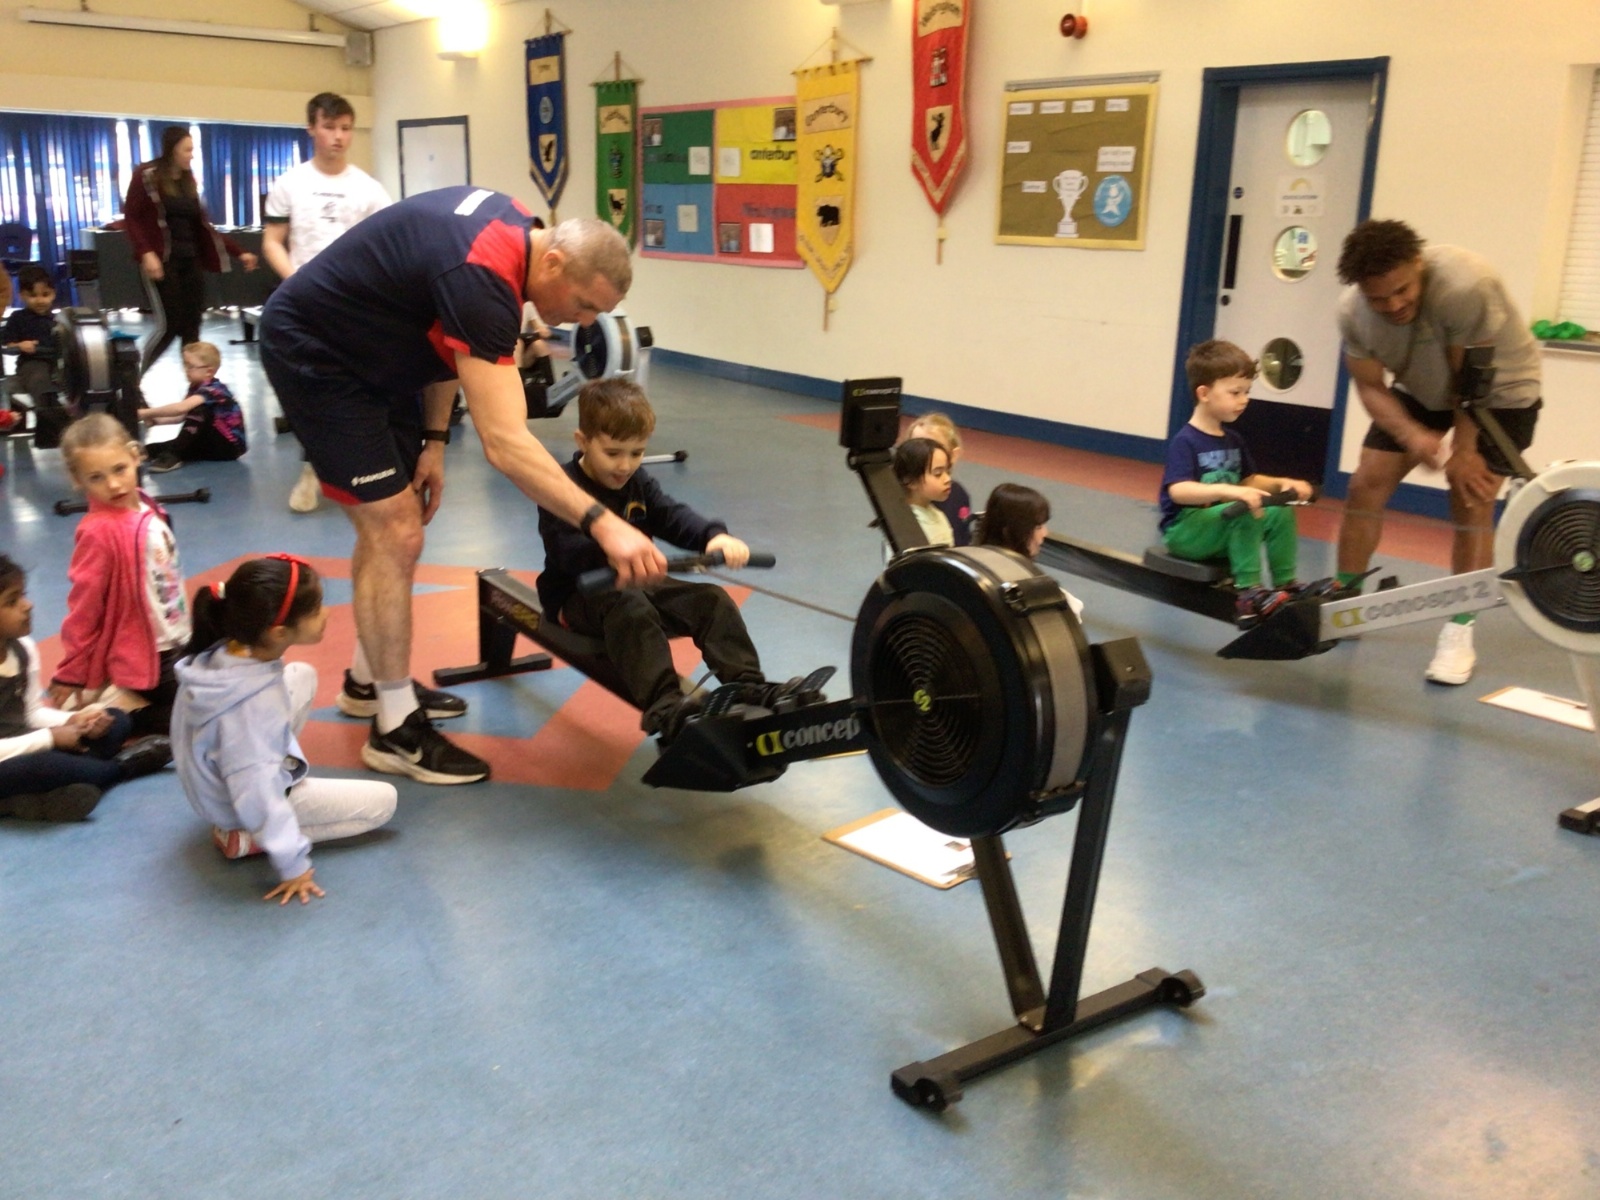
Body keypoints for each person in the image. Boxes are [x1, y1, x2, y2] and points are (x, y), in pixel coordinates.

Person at [258, 192, 665, 785]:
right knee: (394, 529)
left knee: (397, 524)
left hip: (380, 355)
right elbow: (504, 442)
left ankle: (368, 683)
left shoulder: (517, 236)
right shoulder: (482, 275)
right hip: (319, 355)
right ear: (553, 262)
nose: (582, 323)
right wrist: (604, 524)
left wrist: (434, 439)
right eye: (583, 305)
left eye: (594, 313)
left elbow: (451, 344)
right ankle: (395, 730)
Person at [538, 379, 820, 741]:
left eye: (637, 453)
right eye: (613, 453)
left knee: (712, 600)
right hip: (577, 597)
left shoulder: (636, 482)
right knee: (631, 606)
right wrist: (612, 553)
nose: (625, 465)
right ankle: (665, 706)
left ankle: (747, 686)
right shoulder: (561, 487)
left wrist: (713, 536)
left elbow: (671, 514)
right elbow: (565, 551)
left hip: (639, 585)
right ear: (583, 441)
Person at [1334, 219, 1542, 685]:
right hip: (1424, 389)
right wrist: (1413, 435)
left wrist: (1463, 451)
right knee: (1366, 482)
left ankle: (1460, 630)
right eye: (1379, 298)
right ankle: (1344, 605)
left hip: (1501, 393)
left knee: (1470, 493)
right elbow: (1370, 387)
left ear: (1418, 264)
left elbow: (1472, 383)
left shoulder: (1466, 285)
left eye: (1402, 291)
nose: (1394, 305)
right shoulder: (1352, 312)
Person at [172, 555, 397, 906]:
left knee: (301, 675)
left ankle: (254, 814)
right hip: (234, 801)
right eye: (317, 610)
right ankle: (246, 838)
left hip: (218, 776)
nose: (327, 613)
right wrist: (293, 865)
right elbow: (257, 793)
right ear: (278, 633)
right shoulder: (251, 712)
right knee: (384, 803)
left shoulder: (230, 645)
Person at [262, 92, 392, 515]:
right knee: (308, 386)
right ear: (312, 130)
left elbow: (384, 246)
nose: (338, 136)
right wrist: (297, 283)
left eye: (346, 128)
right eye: (330, 127)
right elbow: (273, 242)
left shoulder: (368, 190)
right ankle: (311, 465)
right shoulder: (290, 184)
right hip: (303, 303)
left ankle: (351, 467)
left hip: (355, 306)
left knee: (354, 386)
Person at [48, 414, 190, 737]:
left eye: (119, 469)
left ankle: (127, 699)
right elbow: (84, 606)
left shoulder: (147, 506)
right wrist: (72, 670)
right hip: (147, 654)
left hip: (177, 638)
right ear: (77, 479)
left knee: (217, 694)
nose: (113, 484)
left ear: (135, 455)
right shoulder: (99, 532)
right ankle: (121, 717)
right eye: (96, 477)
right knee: (203, 714)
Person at [0, 554, 171, 822]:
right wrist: (50, 738)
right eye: (12, 602)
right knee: (44, 766)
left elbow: (31, 713)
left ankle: (30, 799)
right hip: (13, 759)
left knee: (117, 720)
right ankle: (121, 768)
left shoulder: (23, 649)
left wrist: (75, 720)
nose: (28, 605)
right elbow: (40, 739)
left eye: (23, 595)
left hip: (25, 745)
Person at [1158, 340, 1315, 627]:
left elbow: (1249, 480)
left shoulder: (1234, 440)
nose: (1244, 400)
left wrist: (1282, 483)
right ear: (1204, 393)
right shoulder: (1186, 441)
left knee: (1279, 510)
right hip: (1186, 532)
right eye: (1235, 392)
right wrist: (1227, 490)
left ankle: (1286, 583)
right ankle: (1248, 593)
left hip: (1222, 526)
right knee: (1244, 507)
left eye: (1247, 392)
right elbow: (1178, 491)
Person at [122, 124, 259, 377]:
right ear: (172, 149)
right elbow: (132, 218)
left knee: (192, 326)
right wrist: (146, 252)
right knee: (169, 325)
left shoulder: (188, 180)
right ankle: (133, 378)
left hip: (190, 260)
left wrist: (239, 252)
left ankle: (195, 388)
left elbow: (203, 226)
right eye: (187, 150)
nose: (191, 155)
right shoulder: (147, 175)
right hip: (162, 262)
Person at [974, 482, 1085, 618]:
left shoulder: (970, 567)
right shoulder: (1043, 596)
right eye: (1038, 527)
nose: (1045, 533)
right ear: (1013, 532)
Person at [138, 341, 246, 471]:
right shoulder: (195, 387)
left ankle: (175, 455)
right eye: (185, 365)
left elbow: (181, 408)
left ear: (209, 372)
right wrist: (157, 421)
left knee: (199, 410)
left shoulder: (213, 390)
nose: (186, 370)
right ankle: (171, 451)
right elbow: (182, 416)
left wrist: (145, 413)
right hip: (209, 441)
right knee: (153, 449)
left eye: (190, 366)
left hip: (228, 446)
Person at [2, 265, 62, 415]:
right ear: (22, 296)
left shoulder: (59, 320)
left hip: (57, 362)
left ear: (53, 294)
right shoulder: (18, 318)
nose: (40, 300)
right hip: (31, 363)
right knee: (39, 378)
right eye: (33, 295)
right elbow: (7, 345)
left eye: (45, 294)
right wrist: (20, 345)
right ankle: (49, 411)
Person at [906, 412, 974, 544]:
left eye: (934, 448)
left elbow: (962, 538)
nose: (924, 456)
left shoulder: (959, 495)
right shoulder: (898, 502)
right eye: (916, 448)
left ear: (953, 455)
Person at [893, 436, 956, 547]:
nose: (948, 479)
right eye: (938, 474)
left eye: (948, 471)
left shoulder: (938, 515)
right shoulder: (906, 528)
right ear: (910, 481)